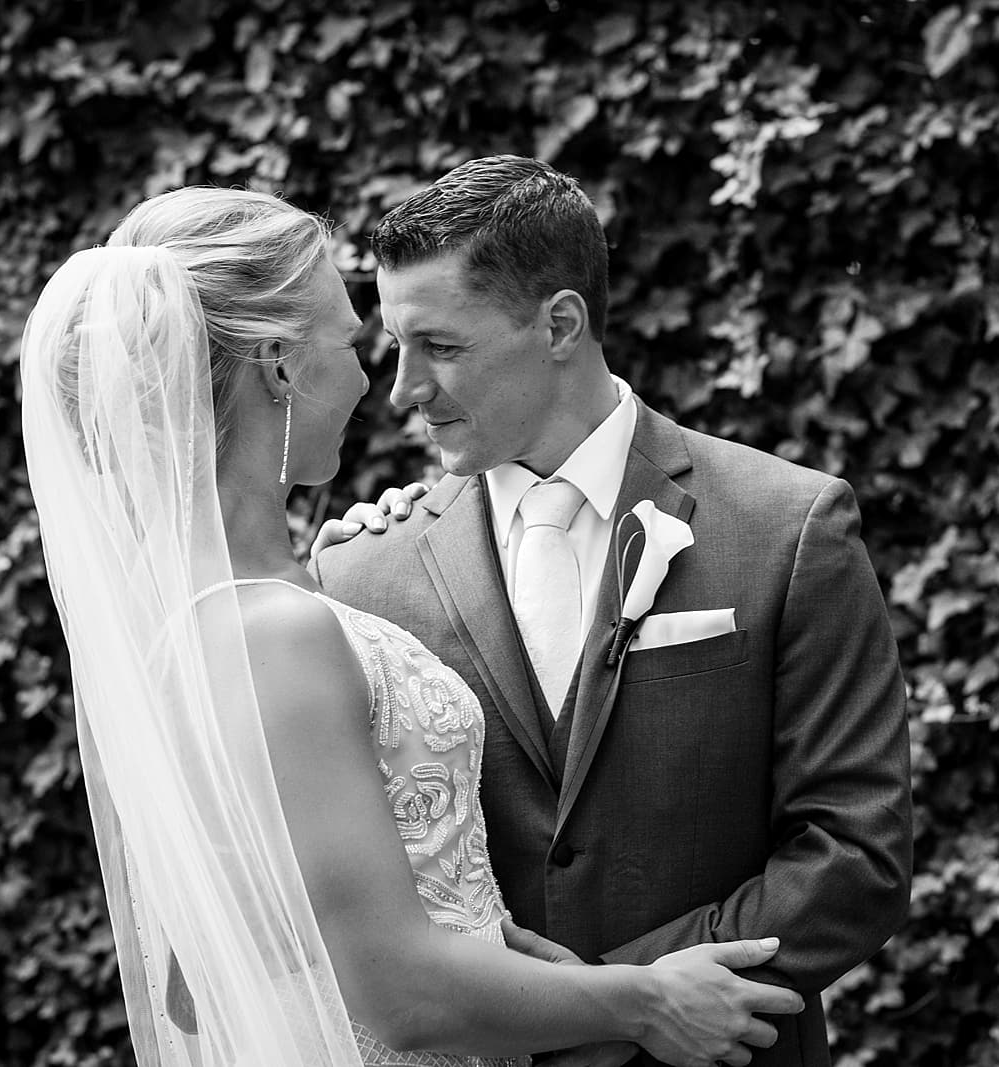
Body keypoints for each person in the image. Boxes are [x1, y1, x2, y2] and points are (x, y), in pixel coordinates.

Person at [19, 186, 804, 1067]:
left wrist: (498, 953)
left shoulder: (249, 604)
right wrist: (643, 1000)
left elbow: (203, 978)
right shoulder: (277, 630)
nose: (378, 384)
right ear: (280, 366)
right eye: (355, 344)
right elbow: (403, 994)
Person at [311, 156, 912, 1067]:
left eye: (441, 346)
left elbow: (853, 854)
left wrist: (621, 1004)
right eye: (395, 347)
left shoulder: (787, 526)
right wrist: (584, 1009)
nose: (405, 389)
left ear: (560, 323)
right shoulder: (364, 571)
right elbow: (366, 889)